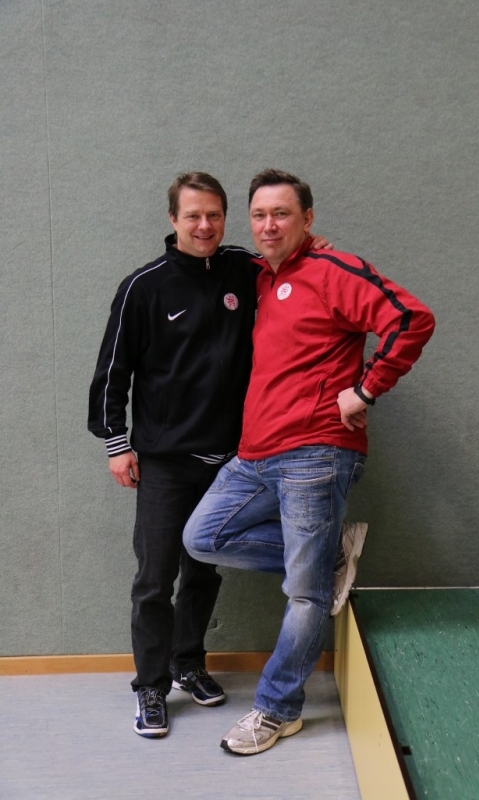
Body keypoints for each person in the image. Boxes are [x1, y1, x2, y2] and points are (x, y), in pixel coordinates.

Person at [183, 168, 436, 755]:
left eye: (282, 214)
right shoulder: (262, 278)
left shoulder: (332, 269)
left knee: (304, 591)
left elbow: (411, 319)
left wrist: (366, 390)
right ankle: (328, 558)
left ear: (308, 219)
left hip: (315, 452)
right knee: (202, 537)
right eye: (260, 215)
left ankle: (278, 710)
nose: (269, 225)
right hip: (255, 454)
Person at [88, 171, 330, 739]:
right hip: (165, 462)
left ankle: (188, 663)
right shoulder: (143, 287)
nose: (204, 226)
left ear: (225, 219)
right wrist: (117, 445)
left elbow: (292, 261)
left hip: (232, 462)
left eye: (214, 216)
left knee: (203, 569)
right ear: (173, 220)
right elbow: (112, 373)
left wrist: (314, 247)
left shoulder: (244, 269)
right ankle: (151, 687)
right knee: (155, 577)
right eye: (193, 216)